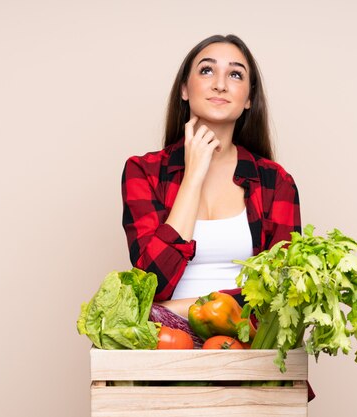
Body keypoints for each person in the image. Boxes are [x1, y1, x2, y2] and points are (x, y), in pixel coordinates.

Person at [121, 34, 301, 318]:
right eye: (207, 70)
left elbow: (281, 292)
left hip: (245, 342)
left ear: (249, 99)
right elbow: (152, 283)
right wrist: (192, 177)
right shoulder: (143, 172)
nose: (220, 84)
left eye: (235, 74)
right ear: (184, 89)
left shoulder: (276, 183)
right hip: (165, 343)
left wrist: (176, 310)